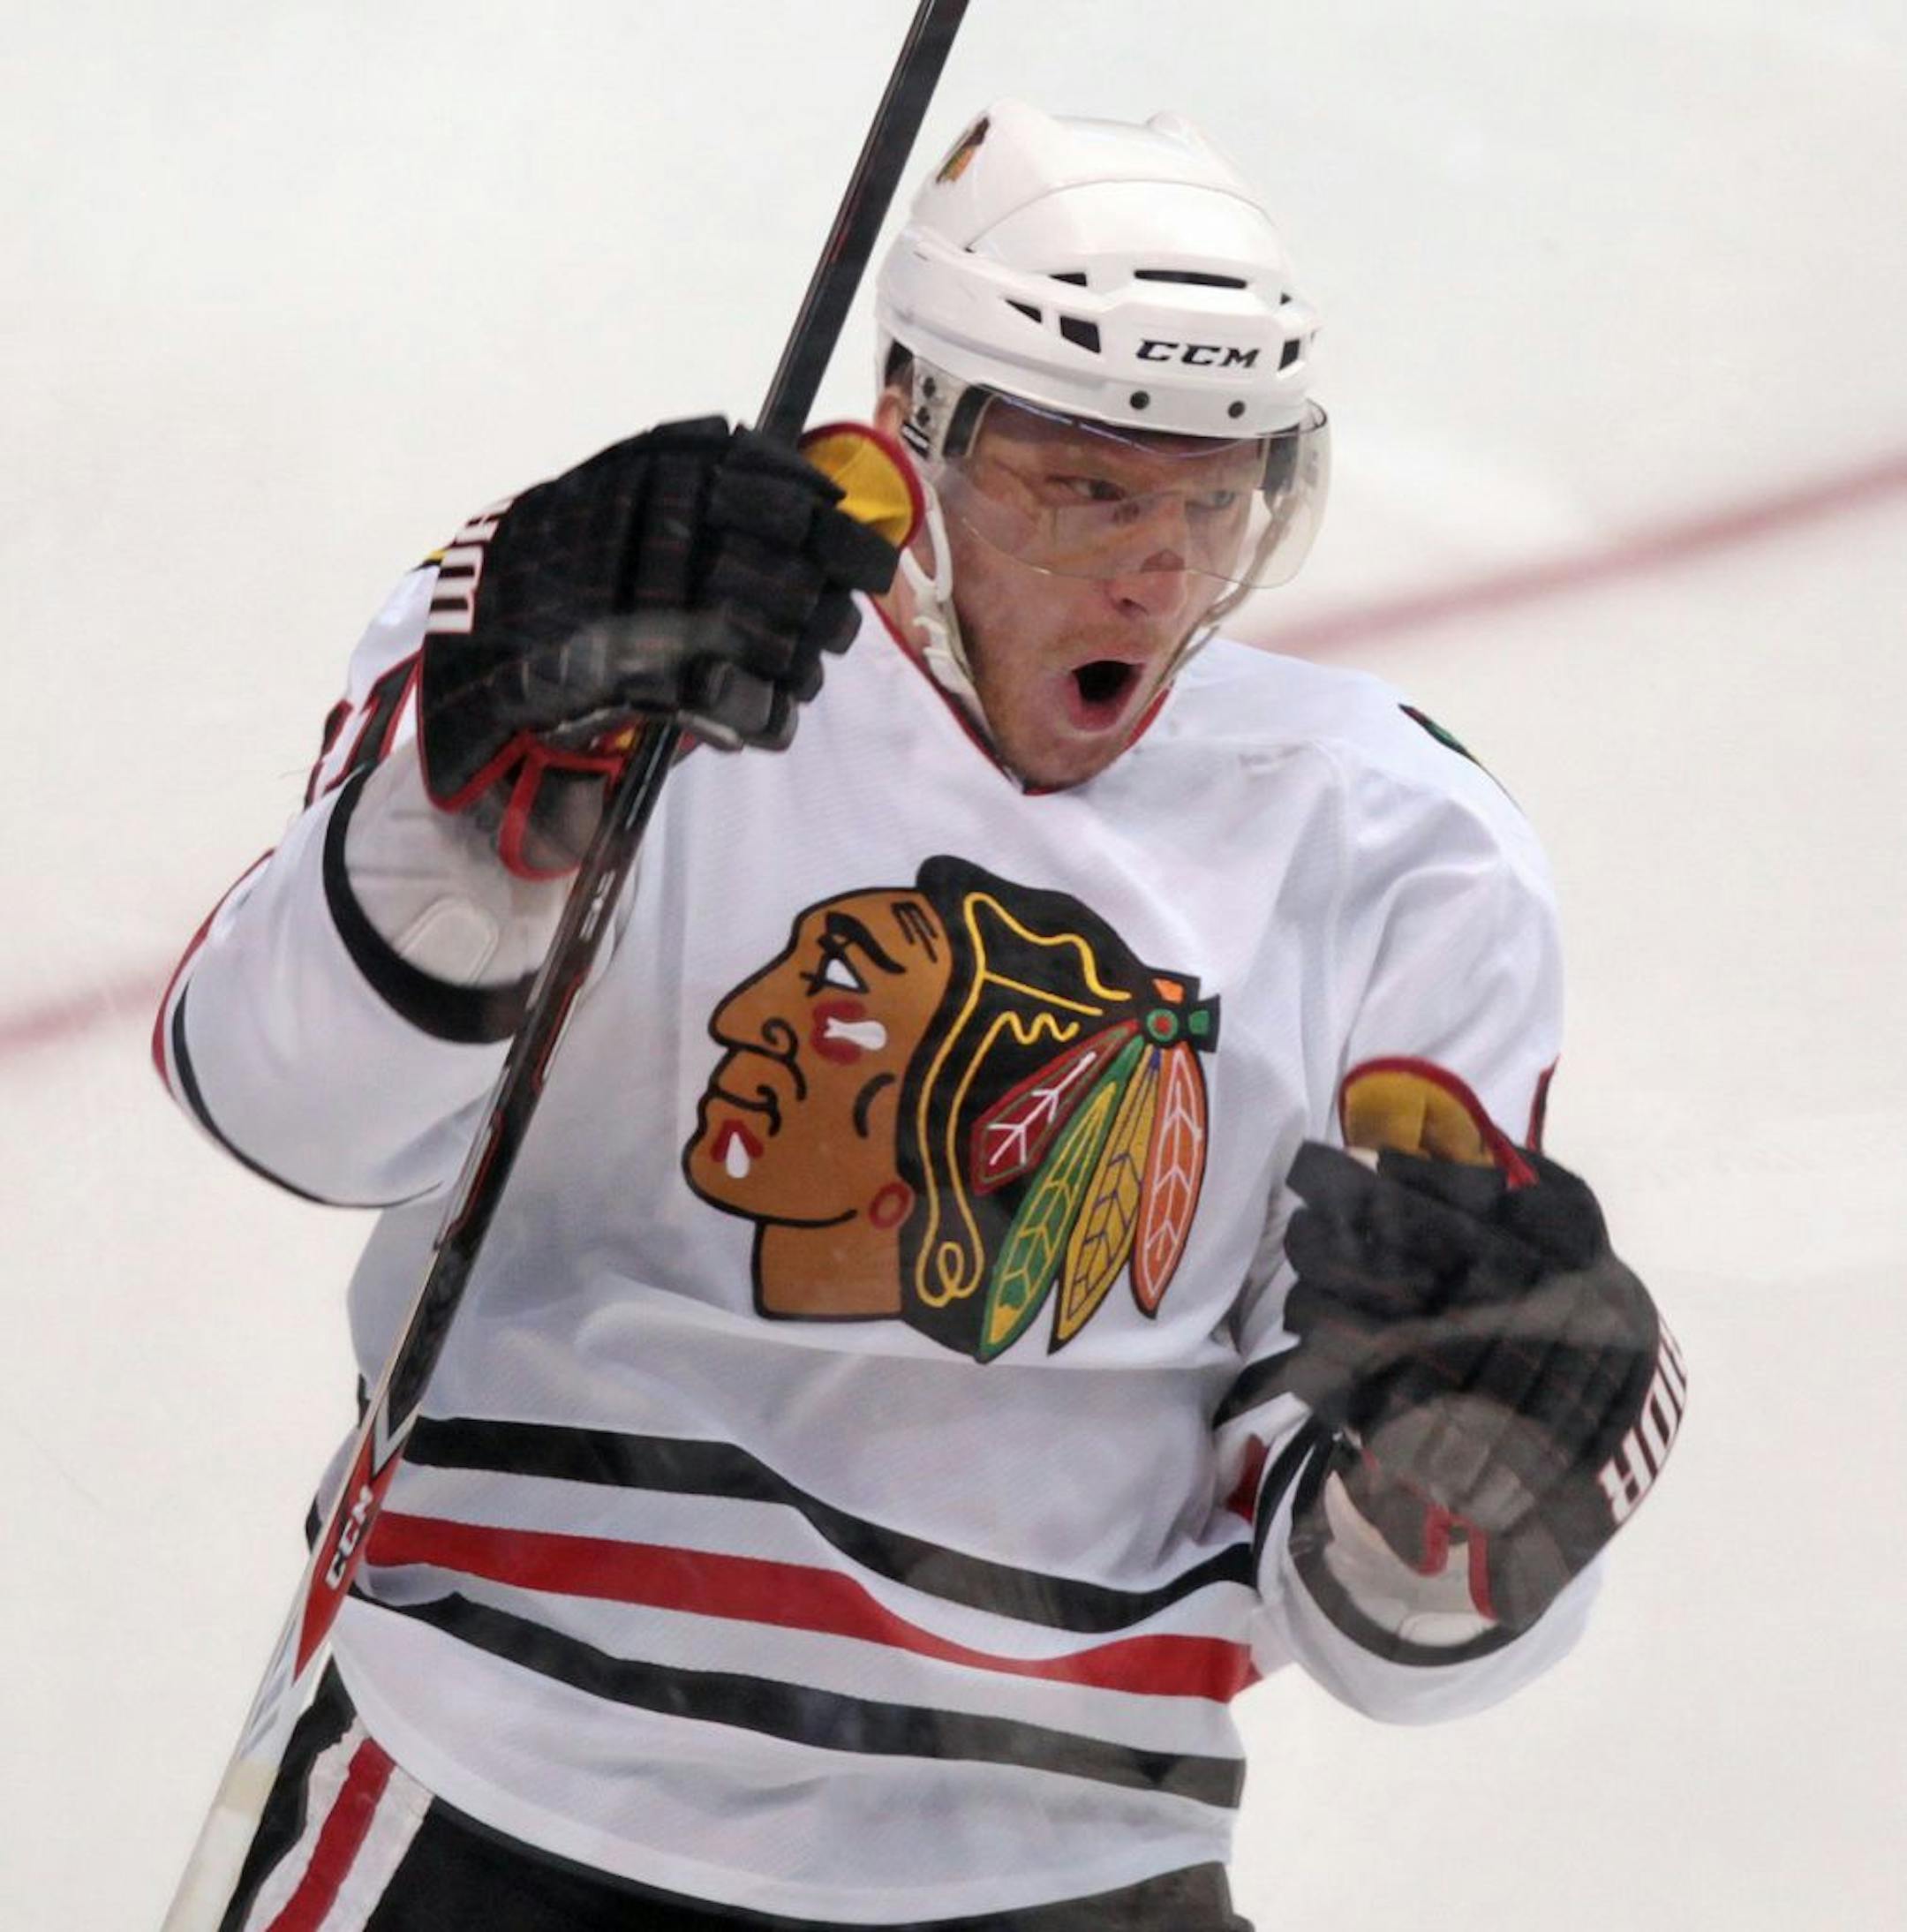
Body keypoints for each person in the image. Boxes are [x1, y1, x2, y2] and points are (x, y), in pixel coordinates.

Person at [156, 102, 1684, 1932]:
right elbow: (278, 1102)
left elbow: (1386, 1641)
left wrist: (1475, 1473)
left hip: (1068, 1855)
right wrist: (500, 800)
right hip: (500, 1772)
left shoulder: (1403, 850)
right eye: (1087, 490)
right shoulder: (621, 613)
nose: (1162, 576)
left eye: (1217, 499)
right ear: (906, 447)